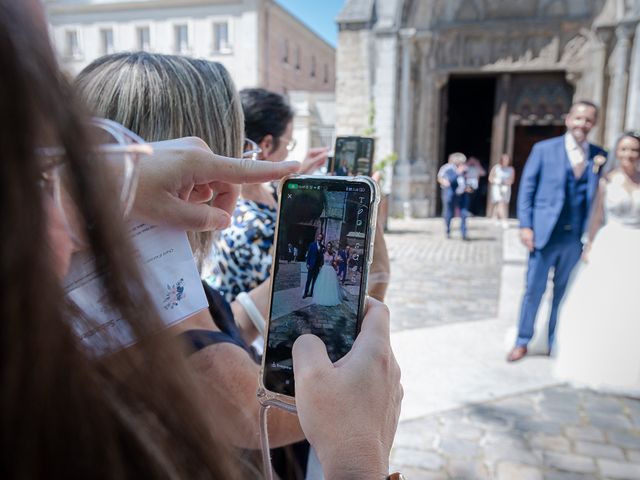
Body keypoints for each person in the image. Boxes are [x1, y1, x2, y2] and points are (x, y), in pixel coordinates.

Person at [3, 3, 403, 477]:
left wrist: (92, 181)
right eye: (238, 149)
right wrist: (361, 453)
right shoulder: (138, 318)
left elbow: (215, 321)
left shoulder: (72, 289)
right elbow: (277, 407)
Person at [75, 53, 311, 453]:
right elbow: (267, 417)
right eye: (236, 148)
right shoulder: (142, 296)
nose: (241, 159)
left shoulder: (62, 259)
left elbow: (217, 326)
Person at [507, 100, 607, 362]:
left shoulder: (599, 155)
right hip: (544, 234)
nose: (582, 124)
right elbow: (527, 189)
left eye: (588, 120)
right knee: (533, 290)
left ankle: (554, 341)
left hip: (575, 238)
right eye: (578, 119)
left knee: (564, 293)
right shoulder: (543, 149)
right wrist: (526, 226)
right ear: (568, 119)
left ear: (593, 123)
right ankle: (522, 340)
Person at [208, 88, 329, 302]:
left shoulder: (241, 194)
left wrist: (302, 176)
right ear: (265, 145)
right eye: (288, 143)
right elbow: (285, 292)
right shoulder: (252, 227)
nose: (288, 152)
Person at [554, 132, 640, 390]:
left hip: (636, 243)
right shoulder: (607, 180)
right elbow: (596, 215)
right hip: (611, 241)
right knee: (606, 299)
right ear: (617, 151)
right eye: (624, 149)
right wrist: (589, 243)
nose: (628, 154)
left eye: (634, 150)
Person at [438, 152, 470, 240]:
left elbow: (468, 180)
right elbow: (448, 181)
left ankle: (464, 233)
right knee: (449, 213)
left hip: (462, 194)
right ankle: (447, 230)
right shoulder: (448, 169)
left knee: (464, 213)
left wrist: (468, 186)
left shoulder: (465, 169)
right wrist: (458, 172)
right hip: (450, 194)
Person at [489, 153, 516, 228]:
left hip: (505, 188)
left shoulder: (511, 169)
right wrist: (497, 181)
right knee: (500, 203)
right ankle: (504, 220)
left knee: (500, 204)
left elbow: (512, 180)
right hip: (497, 187)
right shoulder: (496, 167)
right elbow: (490, 178)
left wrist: (507, 182)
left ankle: (494, 218)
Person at [303, 232, 325, 298]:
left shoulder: (322, 247)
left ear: (322, 239)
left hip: (317, 267)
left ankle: (312, 293)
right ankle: (305, 293)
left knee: (315, 281)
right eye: (319, 237)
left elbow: (322, 257)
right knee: (308, 280)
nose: (319, 239)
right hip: (311, 265)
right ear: (317, 238)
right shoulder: (312, 245)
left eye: (321, 238)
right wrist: (307, 263)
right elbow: (308, 255)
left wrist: (321, 265)